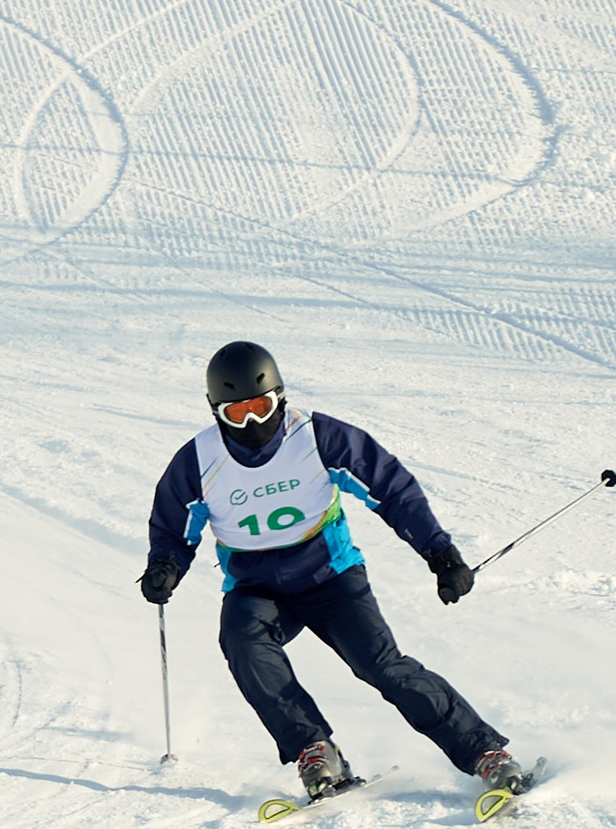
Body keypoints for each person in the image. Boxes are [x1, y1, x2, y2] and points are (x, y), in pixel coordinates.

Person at [140, 341, 521, 800]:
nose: (255, 423)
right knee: (242, 640)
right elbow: (172, 528)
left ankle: (484, 753)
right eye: (238, 413)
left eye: (262, 406)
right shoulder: (198, 462)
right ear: (215, 410)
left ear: (281, 396)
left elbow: (392, 489)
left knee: (381, 666)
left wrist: (440, 554)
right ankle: (314, 748)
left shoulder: (318, 437)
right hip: (255, 587)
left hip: (331, 577)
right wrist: (165, 566)